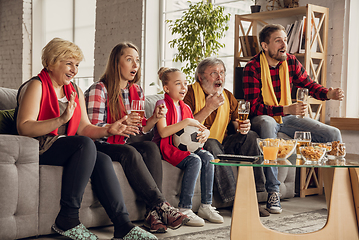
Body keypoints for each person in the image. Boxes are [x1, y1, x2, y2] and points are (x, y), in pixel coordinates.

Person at [15, 38, 157, 240]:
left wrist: (109, 129)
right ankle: (68, 218)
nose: (74, 70)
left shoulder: (75, 90)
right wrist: (61, 119)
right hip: (41, 146)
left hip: (68, 145)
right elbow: (24, 127)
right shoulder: (36, 86)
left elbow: (84, 128)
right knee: (84, 145)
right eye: (69, 63)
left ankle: (122, 226)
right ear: (52, 62)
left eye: (77, 65)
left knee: (102, 158)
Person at [84, 42, 189, 234]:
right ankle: (161, 205)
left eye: (137, 60)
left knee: (150, 147)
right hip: (102, 143)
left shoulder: (136, 91)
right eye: (129, 59)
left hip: (125, 140)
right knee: (129, 150)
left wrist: (155, 118)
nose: (135, 65)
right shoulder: (99, 90)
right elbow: (91, 127)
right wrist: (116, 126)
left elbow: (139, 129)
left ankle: (153, 214)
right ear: (117, 63)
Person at [243, 24, 344, 212]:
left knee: (332, 133)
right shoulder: (252, 67)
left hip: (286, 116)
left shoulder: (290, 62)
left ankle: (340, 193)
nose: (284, 44)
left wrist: (328, 94)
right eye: (278, 40)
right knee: (266, 123)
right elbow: (254, 106)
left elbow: (310, 84)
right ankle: (273, 192)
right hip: (264, 116)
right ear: (265, 46)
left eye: (285, 40)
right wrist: (286, 109)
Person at [183, 57, 270, 217]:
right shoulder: (188, 93)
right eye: (214, 73)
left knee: (251, 136)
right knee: (211, 143)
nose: (219, 77)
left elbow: (237, 123)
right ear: (201, 77)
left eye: (222, 72)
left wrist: (242, 127)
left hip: (223, 144)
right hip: (199, 145)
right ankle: (235, 200)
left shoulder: (228, 96)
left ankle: (257, 195)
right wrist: (209, 108)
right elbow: (185, 126)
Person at [152, 67, 224, 227]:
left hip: (182, 147)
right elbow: (163, 132)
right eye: (178, 84)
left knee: (208, 157)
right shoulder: (162, 104)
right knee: (194, 161)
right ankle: (184, 208)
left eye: (185, 83)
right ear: (166, 88)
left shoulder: (186, 108)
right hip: (166, 146)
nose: (184, 87)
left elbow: (195, 128)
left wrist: (205, 132)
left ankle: (206, 205)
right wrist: (186, 122)